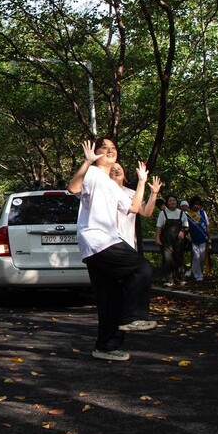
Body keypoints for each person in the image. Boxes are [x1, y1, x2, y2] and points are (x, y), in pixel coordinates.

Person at [68, 138, 156, 362]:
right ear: (96, 153)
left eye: (113, 148)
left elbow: (135, 208)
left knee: (110, 299)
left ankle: (105, 346)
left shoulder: (112, 185)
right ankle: (134, 316)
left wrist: (142, 182)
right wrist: (87, 163)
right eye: (104, 148)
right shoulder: (94, 174)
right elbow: (73, 187)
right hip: (98, 240)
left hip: (100, 245)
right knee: (142, 267)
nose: (109, 151)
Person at [109, 162, 161, 251]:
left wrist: (154, 193)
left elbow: (146, 212)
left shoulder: (132, 193)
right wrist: (141, 181)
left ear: (124, 174)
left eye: (119, 169)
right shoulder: (106, 191)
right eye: (113, 170)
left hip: (128, 241)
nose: (117, 171)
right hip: (110, 241)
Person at [155, 195, 189, 286]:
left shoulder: (181, 213)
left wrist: (182, 231)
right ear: (167, 203)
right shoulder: (163, 213)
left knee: (178, 258)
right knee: (167, 259)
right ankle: (168, 280)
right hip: (166, 241)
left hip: (178, 241)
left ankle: (180, 278)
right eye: (170, 200)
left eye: (174, 200)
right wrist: (157, 238)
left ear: (176, 202)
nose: (172, 202)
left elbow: (186, 226)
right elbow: (159, 227)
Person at [184, 196, 210, 282]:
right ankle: (198, 275)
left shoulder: (203, 213)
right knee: (196, 256)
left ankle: (195, 271)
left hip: (203, 238)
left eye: (199, 204)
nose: (197, 206)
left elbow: (207, 226)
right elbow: (186, 227)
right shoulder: (187, 214)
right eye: (195, 204)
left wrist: (209, 237)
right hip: (193, 239)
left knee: (201, 257)